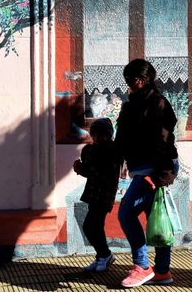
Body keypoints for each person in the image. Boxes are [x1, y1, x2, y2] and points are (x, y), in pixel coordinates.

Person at [116, 58, 179, 288]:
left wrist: (160, 177)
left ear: (142, 80)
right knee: (156, 217)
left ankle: (142, 266)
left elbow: (165, 141)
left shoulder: (158, 104)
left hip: (155, 167)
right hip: (141, 168)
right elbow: (121, 141)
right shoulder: (131, 105)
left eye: (131, 80)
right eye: (126, 81)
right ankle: (162, 271)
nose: (128, 85)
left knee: (126, 214)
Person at [72, 118, 122, 272]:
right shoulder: (102, 149)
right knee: (95, 226)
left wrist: (80, 168)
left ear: (107, 135)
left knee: (90, 226)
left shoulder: (108, 150)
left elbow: (97, 170)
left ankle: (105, 255)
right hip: (97, 194)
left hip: (103, 194)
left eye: (101, 135)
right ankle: (102, 256)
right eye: (95, 135)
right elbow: (92, 170)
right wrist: (82, 167)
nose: (97, 139)